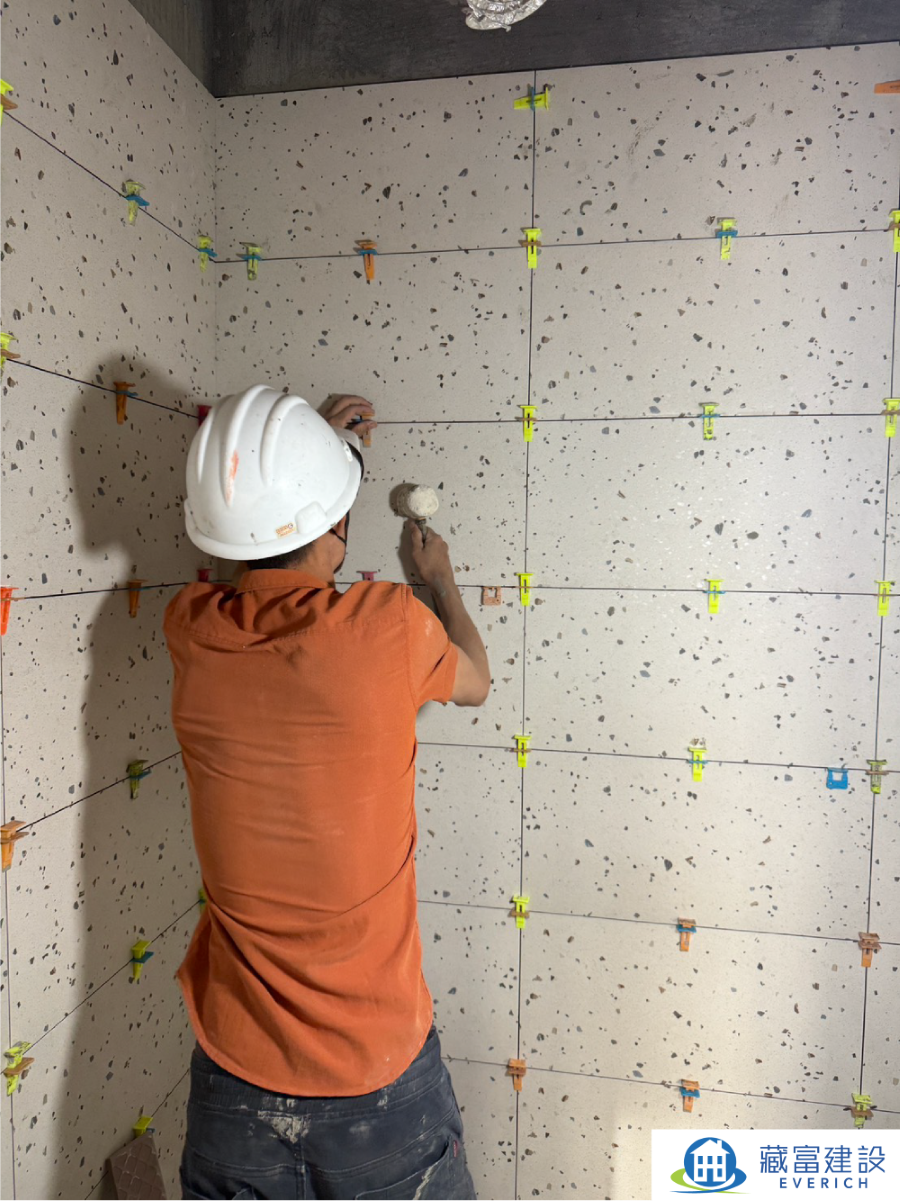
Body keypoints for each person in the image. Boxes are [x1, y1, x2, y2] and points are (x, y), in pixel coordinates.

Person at [164, 384, 490, 1201]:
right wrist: (439, 579)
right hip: (375, 1078)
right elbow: (477, 681)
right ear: (337, 520)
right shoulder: (390, 625)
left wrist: (320, 459)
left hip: (234, 1083)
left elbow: (261, 548)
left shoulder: (192, 630)